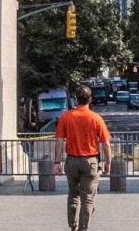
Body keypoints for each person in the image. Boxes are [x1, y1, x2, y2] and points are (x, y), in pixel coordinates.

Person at [54, 86, 111, 231]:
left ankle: (73, 225)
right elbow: (106, 143)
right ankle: (83, 229)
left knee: (73, 194)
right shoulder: (96, 118)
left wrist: (56, 162)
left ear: (76, 99)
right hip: (90, 162)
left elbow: (59, 141)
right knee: (88, 199)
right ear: (90, 99)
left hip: (72, 161)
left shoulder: (66, 117)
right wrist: (108, 163)